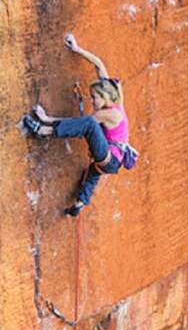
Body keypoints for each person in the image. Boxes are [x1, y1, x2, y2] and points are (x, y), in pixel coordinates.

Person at [23, 34, 130, 216]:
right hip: (112, 161)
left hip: (110, 158)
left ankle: (42, 131)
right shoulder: (115, 97)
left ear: (104, 98)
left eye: (94, 98)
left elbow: (80, 126)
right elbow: (99, 65)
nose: (92, 100)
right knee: (92, 173)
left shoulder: (109, 114)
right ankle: (80, 203)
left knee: (89, 124)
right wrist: (77, 49)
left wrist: (47, 120)